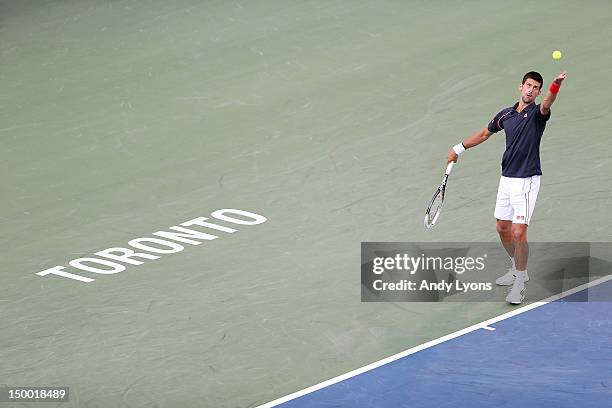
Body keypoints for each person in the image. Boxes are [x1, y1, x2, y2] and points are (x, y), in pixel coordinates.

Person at [447, 71, 567, 304]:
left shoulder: (537, 114)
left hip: (527, 180)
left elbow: (548, 103)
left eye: (536, 88)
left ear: (539, 92)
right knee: (502, 228)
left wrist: (556, 85)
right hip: (507, 179)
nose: (531, 90)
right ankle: (516, 267)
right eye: (528, 86)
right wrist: (458, 148)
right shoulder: (506, 115)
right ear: (520, 87)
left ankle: (520, 282)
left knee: (519, 232)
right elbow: (484, 134)